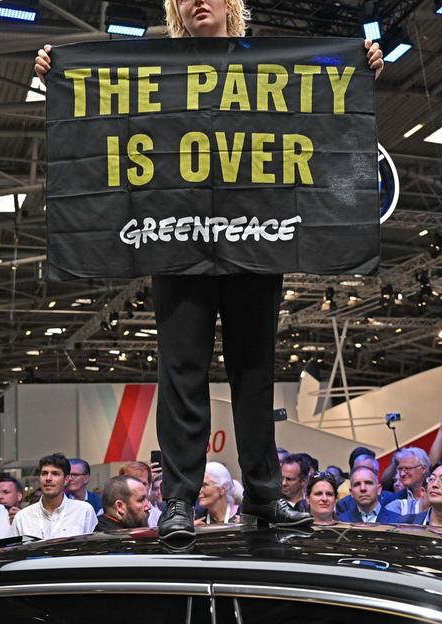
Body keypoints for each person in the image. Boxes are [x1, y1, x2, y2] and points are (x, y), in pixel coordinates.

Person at [34, 0, 385, 541]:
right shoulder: (153, 67)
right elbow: (99, 114)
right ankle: (176, 501)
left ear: (232, 5)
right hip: (176, 242)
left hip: (255, 239)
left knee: (254, 374)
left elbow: (324, 106)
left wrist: (359, 67)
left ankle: (265, 496)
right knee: (181, 375)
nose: (200, 0)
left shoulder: (271, 63)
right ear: (176, 8)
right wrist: (57, 76)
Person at [11, 454, 97, 539]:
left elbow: (92, 548)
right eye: (44, 473)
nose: (48, 478)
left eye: (55, 473)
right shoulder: (23, 517)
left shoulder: (83, 511)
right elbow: (15, 551)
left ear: (66, 480)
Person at [384, 448, 431, 518]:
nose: (402, 474)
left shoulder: (437, 495)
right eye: (400, 469)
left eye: (408, 469)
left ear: (423, 469)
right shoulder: (391, 501)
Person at [119, 461, 161, 527]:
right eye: (134, 483)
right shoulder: (110, 515)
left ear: (149, 485)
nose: (140, 488)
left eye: (144, 483)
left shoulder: (159, 518)